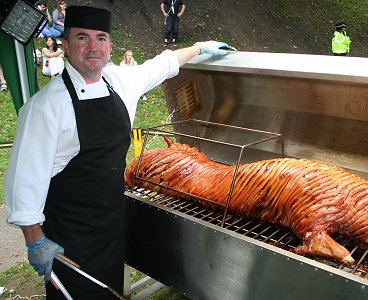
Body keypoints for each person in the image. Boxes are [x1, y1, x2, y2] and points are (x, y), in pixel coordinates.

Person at [4, 5, 228, 298]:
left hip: (110, 222)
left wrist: (199, 47)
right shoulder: (45, 108)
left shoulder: (120, 82)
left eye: (100, 38)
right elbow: (23, 183)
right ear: (67, 45)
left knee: (110, 289)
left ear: (110, 46)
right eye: (82, 38)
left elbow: (163, 64)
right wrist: (35, 242)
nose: (93, 47)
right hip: (70, 236)